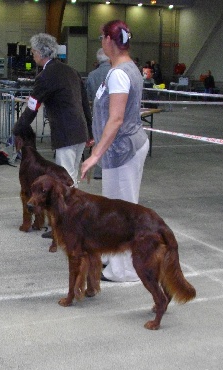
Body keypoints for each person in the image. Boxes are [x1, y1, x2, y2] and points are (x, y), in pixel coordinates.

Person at [81, 20, 149, 282]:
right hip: (121, 147)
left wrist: (96, 154)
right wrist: (97, 139)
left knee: (121, 211)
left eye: (102, 38)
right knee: (117, 208)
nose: (101, 42)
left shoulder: (120, 73)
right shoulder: (123, 68)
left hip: (122, 150)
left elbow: (117, 118)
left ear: (110, 41)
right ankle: (114, 259)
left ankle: (125, 269)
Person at [13, 33, 93, 189]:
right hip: (80, 132)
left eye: (34, 52)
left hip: (66, 134)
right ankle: (74, 210)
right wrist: (90, 131)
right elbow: (85, 104)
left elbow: (32, 107)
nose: (33, 55)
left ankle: (69, 212)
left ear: (41, 53)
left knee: (64, 181)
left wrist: (17, 128)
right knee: (72, 176)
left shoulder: (45, 76)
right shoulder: (72, 71)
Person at [86, 48, 111, 179]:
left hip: (97, 115)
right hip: (113, 114)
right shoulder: (116, 72)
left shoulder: (91, 75)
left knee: (99, 142)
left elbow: (88, 96)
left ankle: (98, 171)